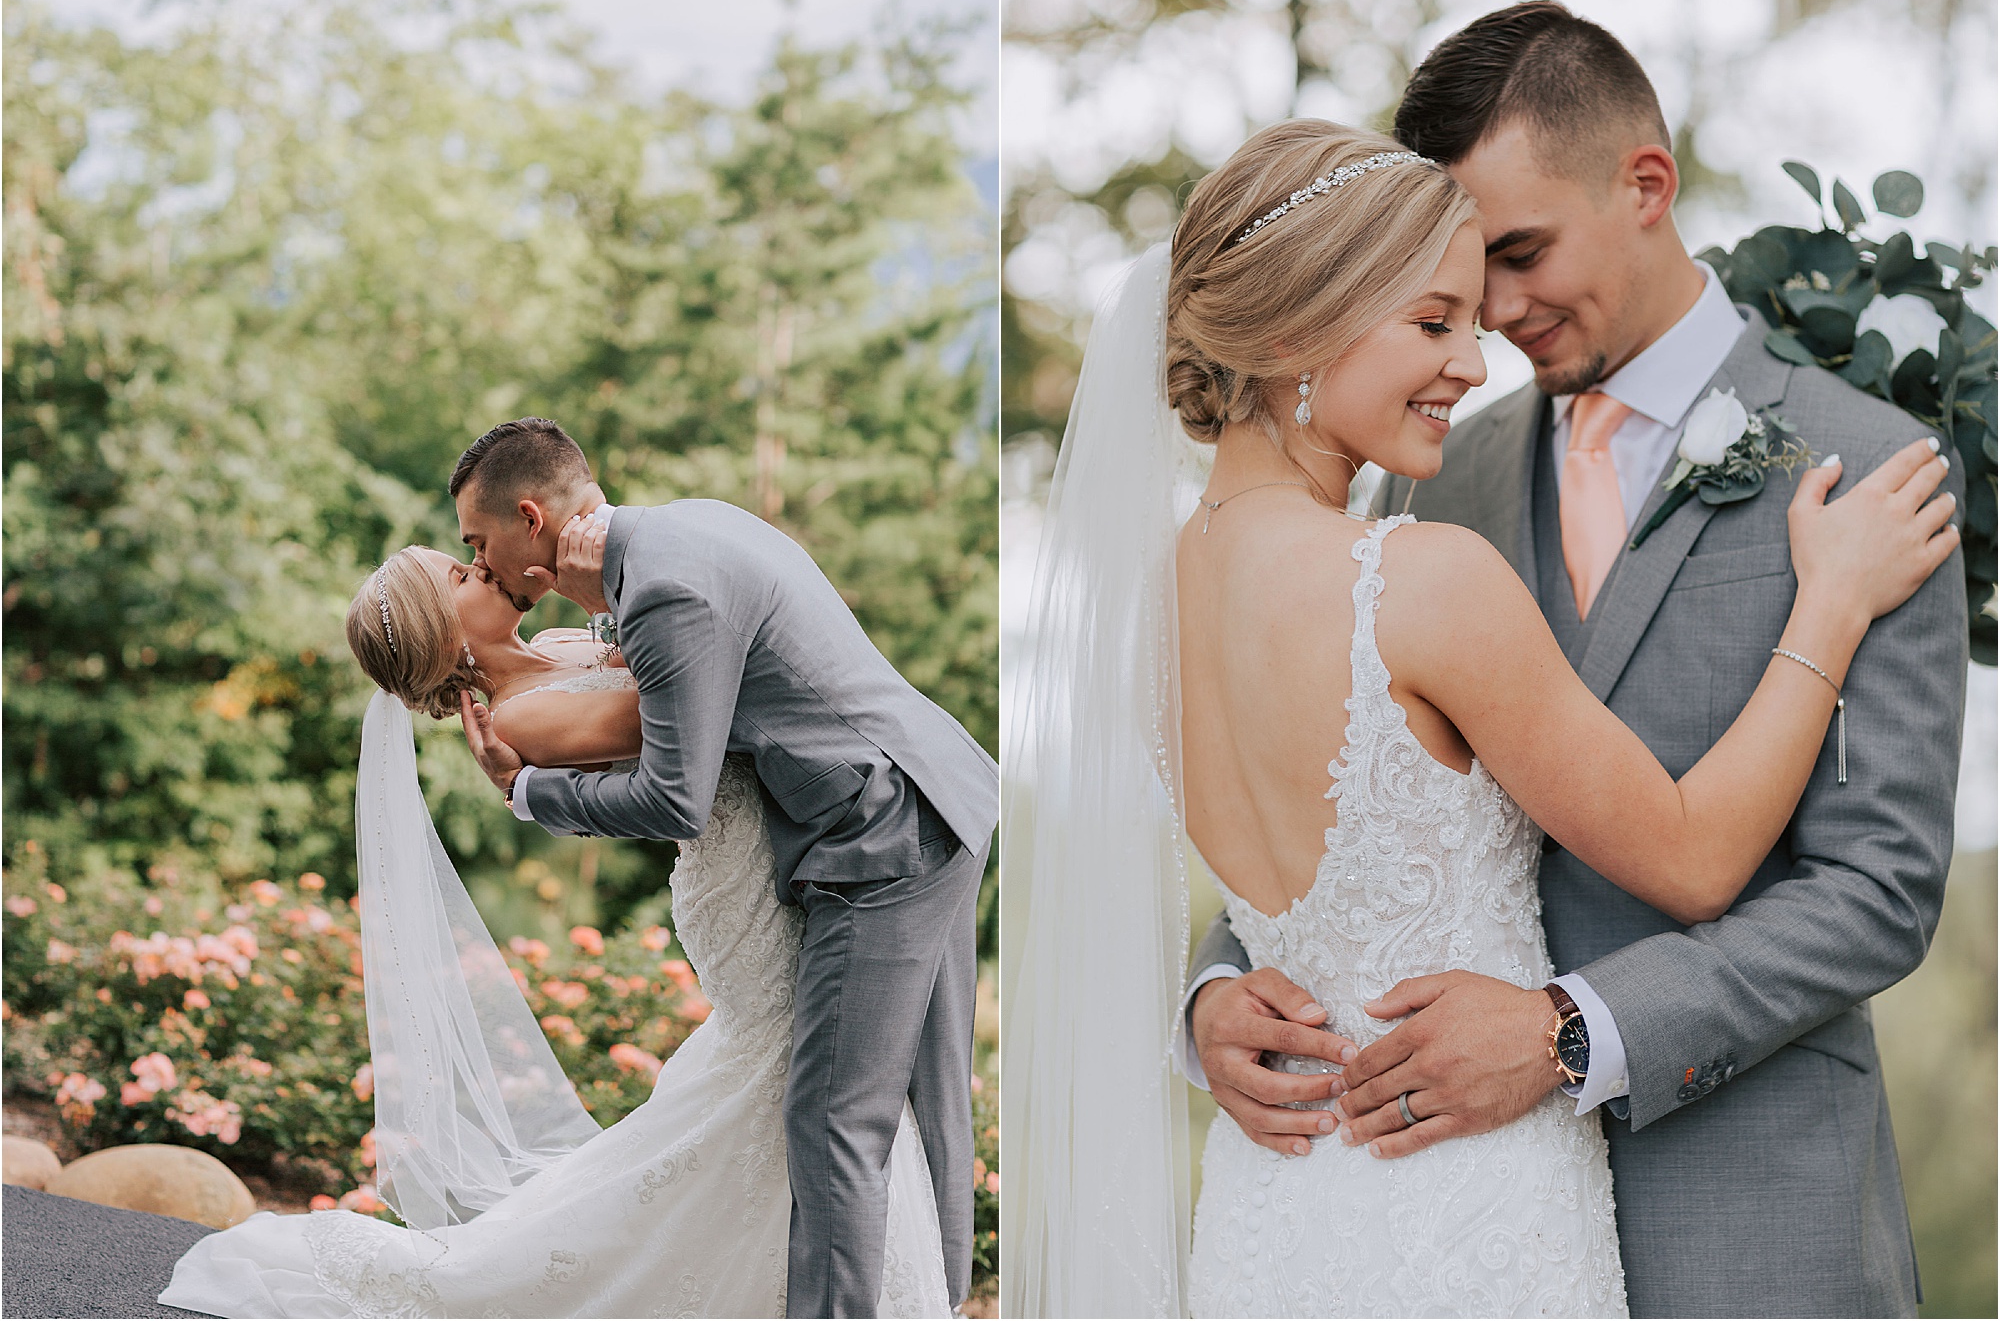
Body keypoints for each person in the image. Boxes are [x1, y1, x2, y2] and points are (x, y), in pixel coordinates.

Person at [1003, 109, 1961, 1316]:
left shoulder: (1143, 604)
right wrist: (1827, 607)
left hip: (1279, 1212)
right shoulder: (1419, 575)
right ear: (1302, 324)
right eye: (1431, 322)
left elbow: (1304, 893)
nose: (1475, 358)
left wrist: (1206, 1006)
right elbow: (1697, 859)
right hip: (1468, 1213)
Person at [165, 418, 995, 1319]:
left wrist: (595, 615)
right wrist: (527, 783)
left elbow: (680, 667)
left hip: (876, 829)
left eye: (473, 550)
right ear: (445, 636)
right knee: (848, 1113)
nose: (477, 565)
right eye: (461, 569)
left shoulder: (633, 600)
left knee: (867, 1111)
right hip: (849, 835)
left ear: (529, 514)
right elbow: (673, 721)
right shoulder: (549, 685)